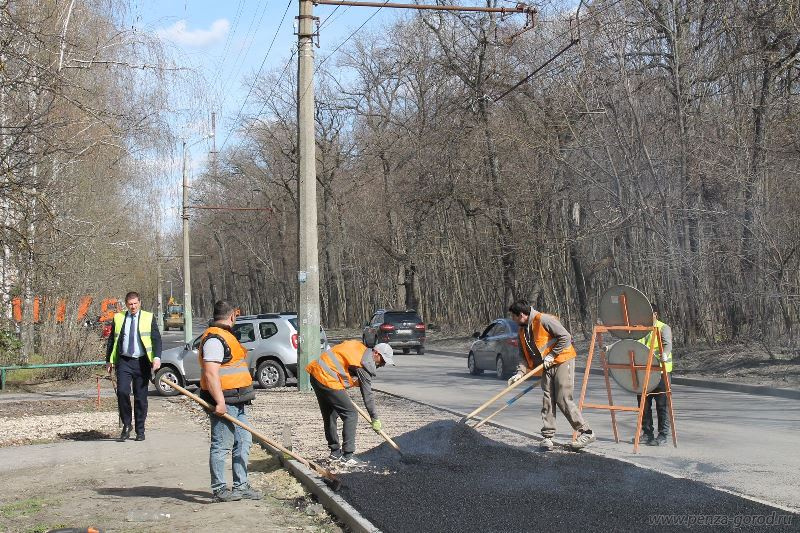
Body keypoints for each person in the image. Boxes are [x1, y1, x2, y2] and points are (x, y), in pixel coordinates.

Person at [507, 299, 595, 450]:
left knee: (563, 398)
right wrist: (520, 373)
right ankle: (548, 437)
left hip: (562, 360)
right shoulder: (522, 331)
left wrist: (552, 355)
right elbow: (522, 355)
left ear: (522, 314)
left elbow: (565, 337)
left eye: (514, 317)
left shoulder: (544, 320)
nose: (513, 320)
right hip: (546, 366)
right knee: (548, 399)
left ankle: (586, 432)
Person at [198, 300, 262, 503]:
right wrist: (219, 402)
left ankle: (240, 486)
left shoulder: (224, 336)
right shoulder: (215, 340)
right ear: (233, 315)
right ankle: (219, 489)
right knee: (221, 444)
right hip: (225, 401)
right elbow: (211, 373)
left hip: (237, 399)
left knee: (243, 441)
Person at [306, 340, 395, 466]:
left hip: (316, 374)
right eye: (383, 360)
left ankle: (335, 453)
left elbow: (342, 362)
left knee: (330, 414)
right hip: (327, 378)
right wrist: (374, 418)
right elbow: (368, 395)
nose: (382, 364)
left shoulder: (359, 347)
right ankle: (348, 456)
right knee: (351, 414)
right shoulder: (365, 363)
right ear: (376, 353)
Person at [105, 291, 161, 442]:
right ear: (126, 304)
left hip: (142, 362)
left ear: (140, 303)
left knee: (140, 398)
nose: (133, 306)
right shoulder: (119, 318)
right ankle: (126, 424)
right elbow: (112, 340)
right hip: (124, 361)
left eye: (135, 303)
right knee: (122, 392)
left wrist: (156, 357)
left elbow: (156, 339)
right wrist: (108, 360)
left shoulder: (148, 317)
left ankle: (140, 430)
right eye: (130, 304)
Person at [636, 305, 673, 446]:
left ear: (655, 314)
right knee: (644, 405)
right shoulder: (640, 329)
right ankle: (647, 433)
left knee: (662, 405)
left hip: (661, 373)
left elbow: (667, 344)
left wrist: (665, 354)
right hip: (643, 373)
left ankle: (663, 435)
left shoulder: (663, 327)